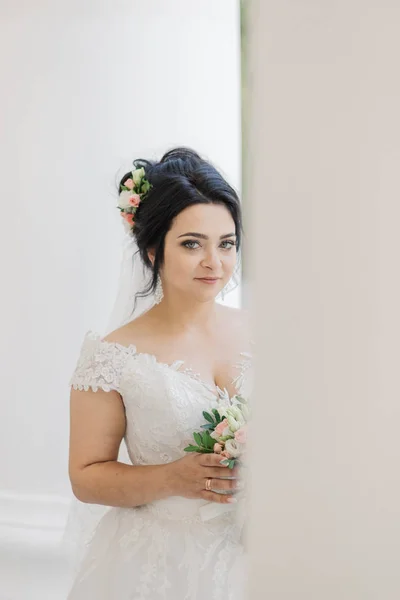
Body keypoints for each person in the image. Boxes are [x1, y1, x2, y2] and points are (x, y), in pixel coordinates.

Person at [66, 147, 254, 599]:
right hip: (161, 566)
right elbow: (85, 477)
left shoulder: (266, 331)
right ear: (153, 251)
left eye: (225, 243)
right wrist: (173, 477)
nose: (215, 262)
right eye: (192, 243)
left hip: (264, 551)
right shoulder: (111, 356)